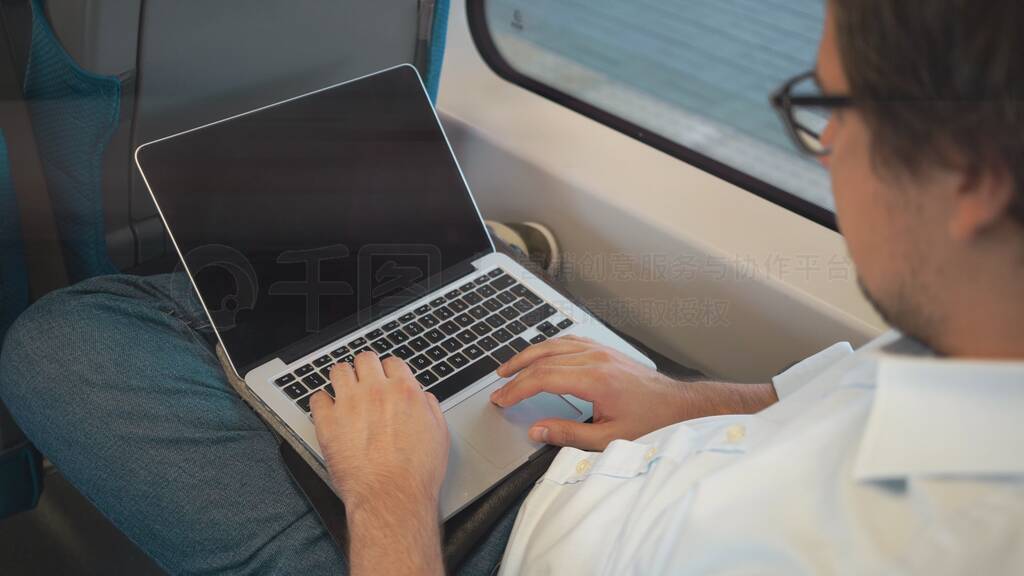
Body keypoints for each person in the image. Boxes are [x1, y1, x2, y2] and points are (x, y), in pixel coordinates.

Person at [3, 0, 1023, 573]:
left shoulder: (956, 539)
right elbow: (836, 407)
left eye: (826, 111)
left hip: (468, 548)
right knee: (390, 290)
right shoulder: (976, 338)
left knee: (71, 343)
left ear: (970, 179)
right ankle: (404, 296)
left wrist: (391, 499)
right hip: (631, 442)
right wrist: (691, 402)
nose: (826, 147)